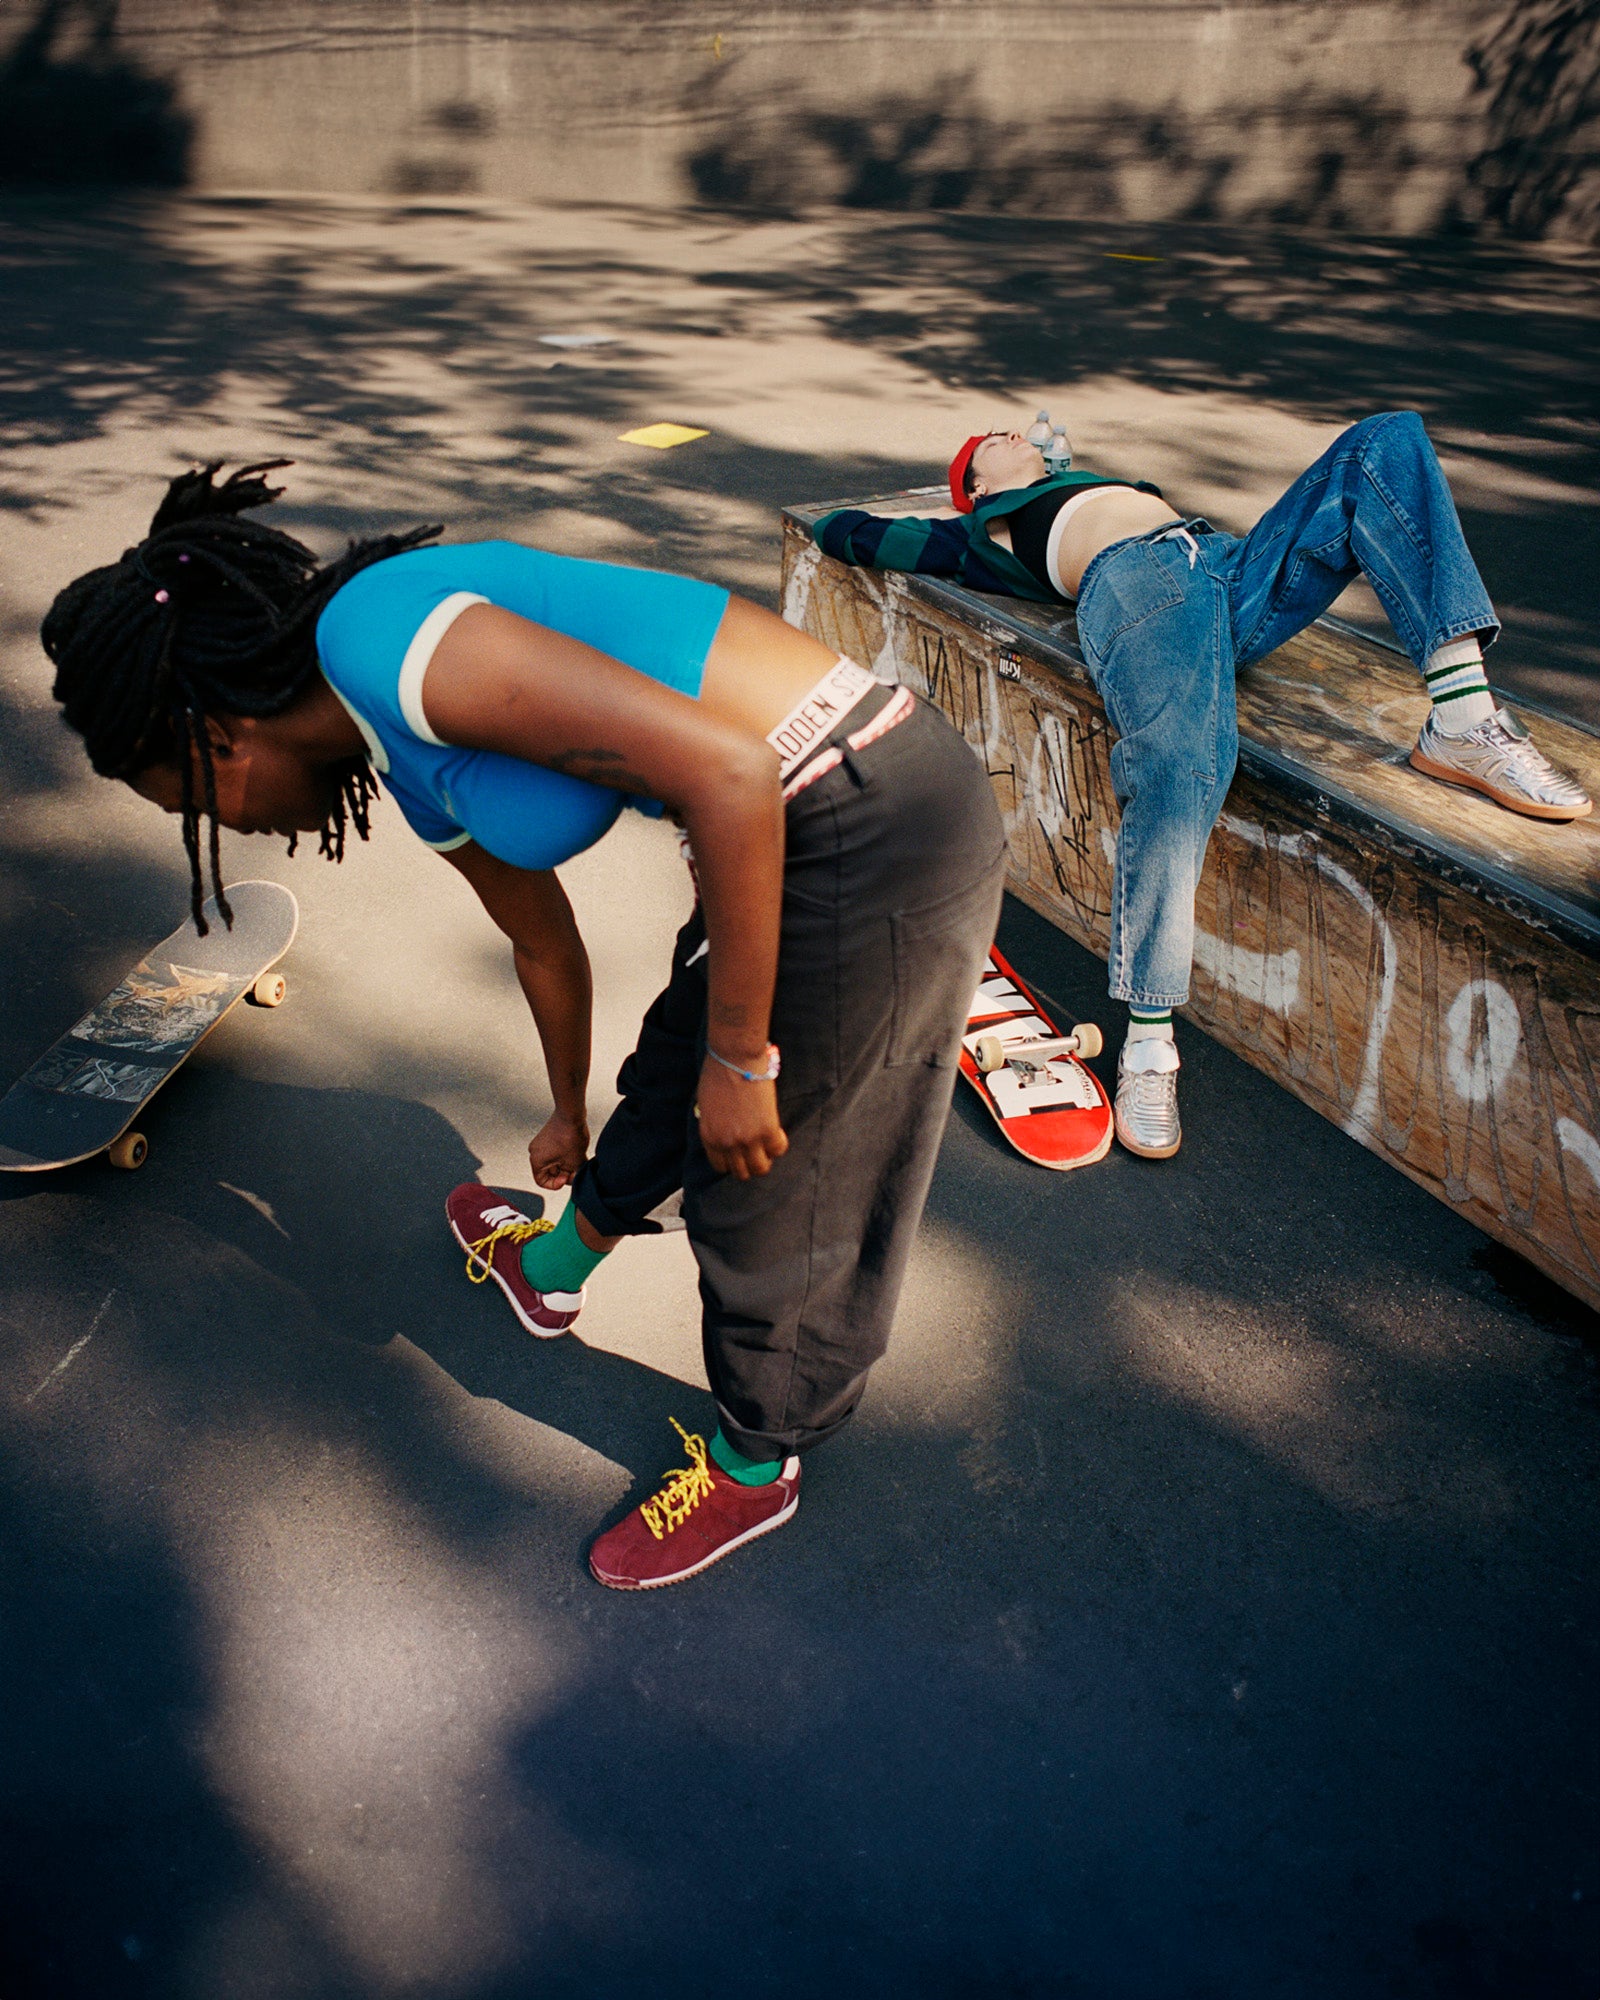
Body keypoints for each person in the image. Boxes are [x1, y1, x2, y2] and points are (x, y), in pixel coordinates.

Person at [41, 461, 1005, 1589]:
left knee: (774, 1182)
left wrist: (745, 1060)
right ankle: (550, 1265)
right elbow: (541, 940)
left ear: (216, 741)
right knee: (672, 1072)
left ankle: (757, 1462)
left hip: (871, 815)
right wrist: (562, 1113)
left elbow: (733, 769)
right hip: (778, 829)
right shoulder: (405, 764)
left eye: (191, 808)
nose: (224, 830)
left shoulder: (380, 640)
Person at [811, 411, 1591, 1161]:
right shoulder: (978, 533)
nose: (1011, 434)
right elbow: (847, 530)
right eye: (989, 443)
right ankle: (1149, 1046)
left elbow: (1060, 467)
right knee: (1179, 768)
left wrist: (1054, 469)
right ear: (977, 489)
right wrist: (909, 520)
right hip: (1134, 584)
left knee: (1385, 443)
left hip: (1225, 562)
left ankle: (1462, 716)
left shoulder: (1073, 480)